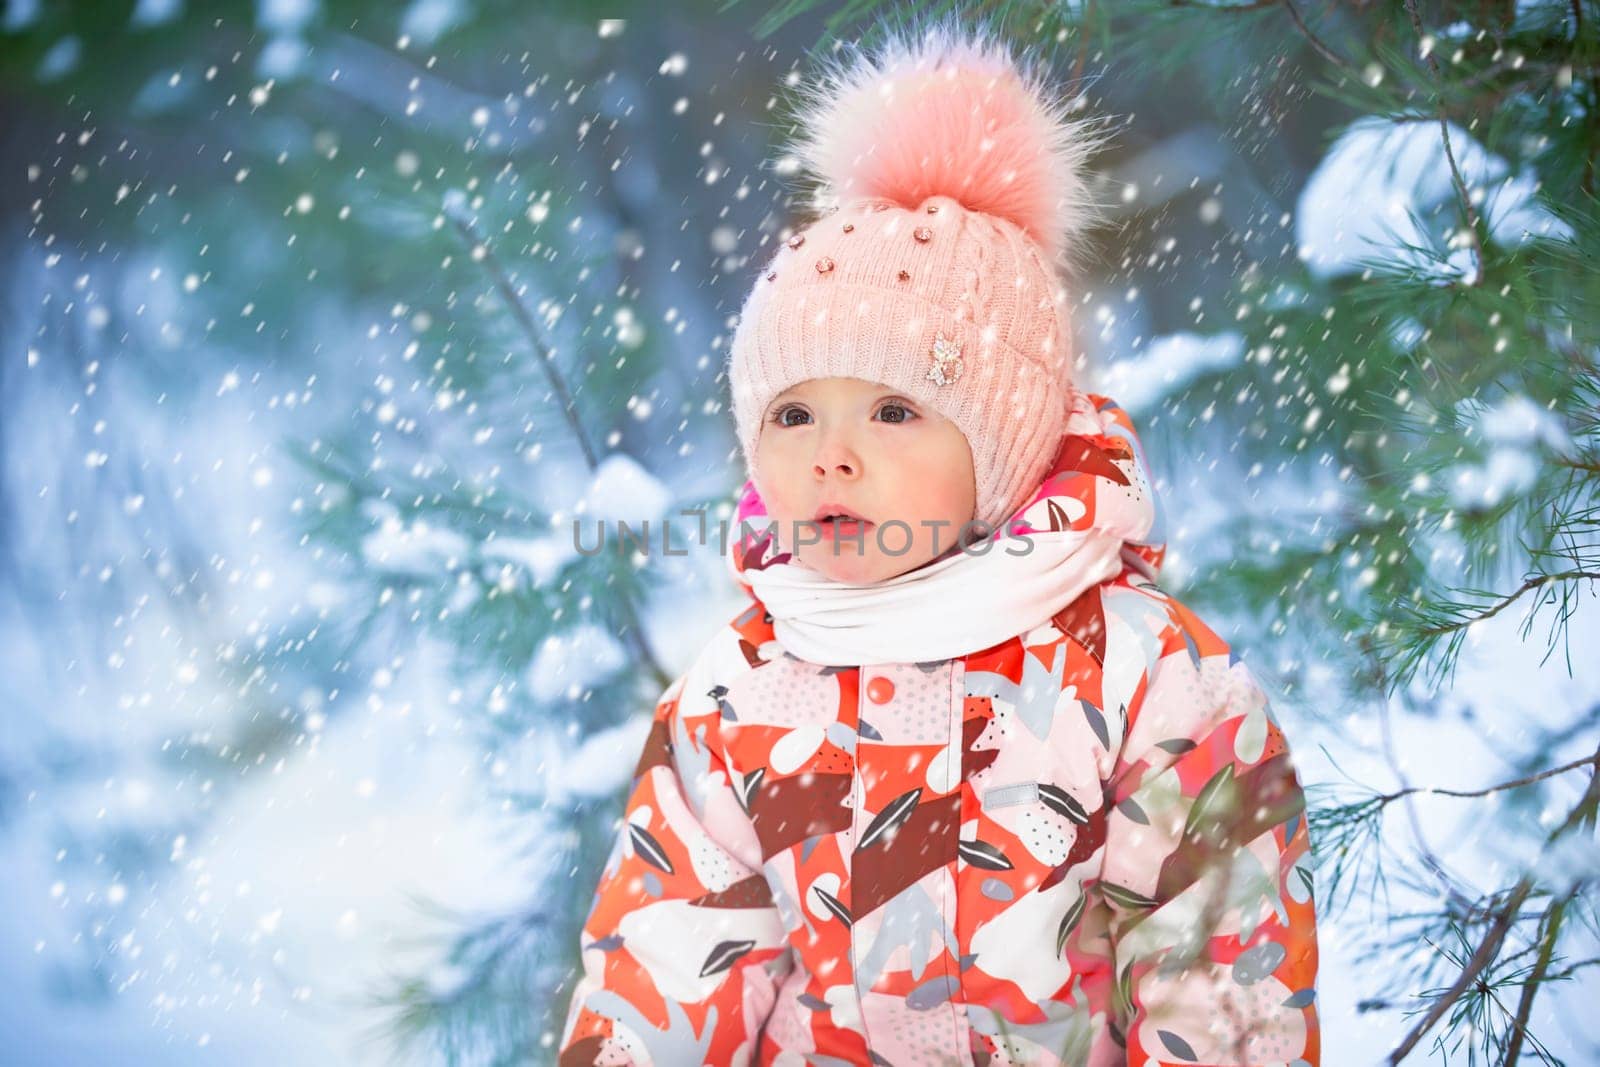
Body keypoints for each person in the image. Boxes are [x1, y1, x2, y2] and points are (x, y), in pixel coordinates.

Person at [557, 15, 1319, 1066]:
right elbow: (667, 956)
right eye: (791, 415)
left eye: (893, 411)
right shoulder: (737, 688)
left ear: (1001, 447)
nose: (830, 455)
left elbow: (1219, 967)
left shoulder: (1143, 675)